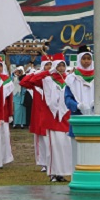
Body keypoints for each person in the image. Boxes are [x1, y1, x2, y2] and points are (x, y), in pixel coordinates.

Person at [30, 53, 73, 182]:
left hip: (66, 118)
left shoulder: (69, 79)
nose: (61, 68)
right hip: (52, 118)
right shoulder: (47, 80)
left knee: (65, 147)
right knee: (53, 147)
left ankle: (62, 173)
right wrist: (46, 72)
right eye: (58, 66)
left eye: (63, 66)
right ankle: (52, 173)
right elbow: (29, 81)